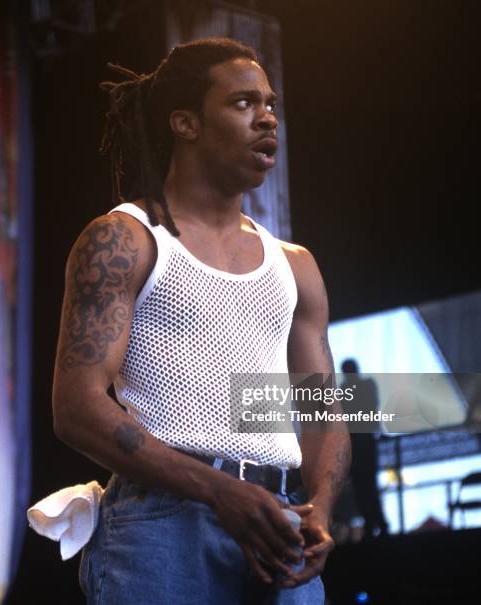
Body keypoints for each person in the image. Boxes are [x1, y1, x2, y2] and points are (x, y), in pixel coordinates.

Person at [52, 37, 351, 604]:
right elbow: (76, 409)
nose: (266, 118)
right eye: (242, 103)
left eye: (270, 105)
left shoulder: (297, 265)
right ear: (185, 123)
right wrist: (220, 492)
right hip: (163, 524)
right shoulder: (125, 238)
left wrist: (322, 510)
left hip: (280, 525)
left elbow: (323, 408)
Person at [341, 359, 388, 539]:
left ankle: (373, 523)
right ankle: (377, 522)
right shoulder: (364, 386)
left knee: (362, 486)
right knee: (367, 485)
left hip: (356, 443)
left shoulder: (346, 390)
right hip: (363, 441)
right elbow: (372, 410)